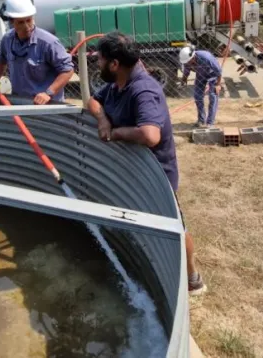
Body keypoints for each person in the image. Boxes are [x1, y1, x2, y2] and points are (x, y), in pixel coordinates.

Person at [87, 32, 207, 296]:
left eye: (100, 60)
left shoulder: (143, 90)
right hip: (132, 173)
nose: (97, 64)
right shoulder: (117, 86)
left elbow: (150, 135)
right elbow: (93, 101)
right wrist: (104, 120)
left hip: (157, 176)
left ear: (115, 64)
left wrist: (116, 133)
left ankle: (193, 278)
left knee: (175, 227)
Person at [0, 0, 74, 104]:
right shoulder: (7, 40)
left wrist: (48, 93)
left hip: (48, 107)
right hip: (20, 103)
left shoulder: (48, 42)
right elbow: (1, 61)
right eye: (21, 22)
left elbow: (68, 70)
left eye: (29, 20)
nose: (26, 26)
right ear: (11, 22)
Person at [179, 46, 223, 128]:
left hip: (213, 75)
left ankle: (210, 122)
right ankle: (201, 120)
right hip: (201, 75)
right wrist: (184, 79)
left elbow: (219, 71)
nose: (187, 63)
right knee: (197, 96)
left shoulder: (206, 58)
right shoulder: (188, 61)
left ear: (192, 57)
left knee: (213, 96)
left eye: (188, 61)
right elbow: (186, 70)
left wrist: (218, 84)